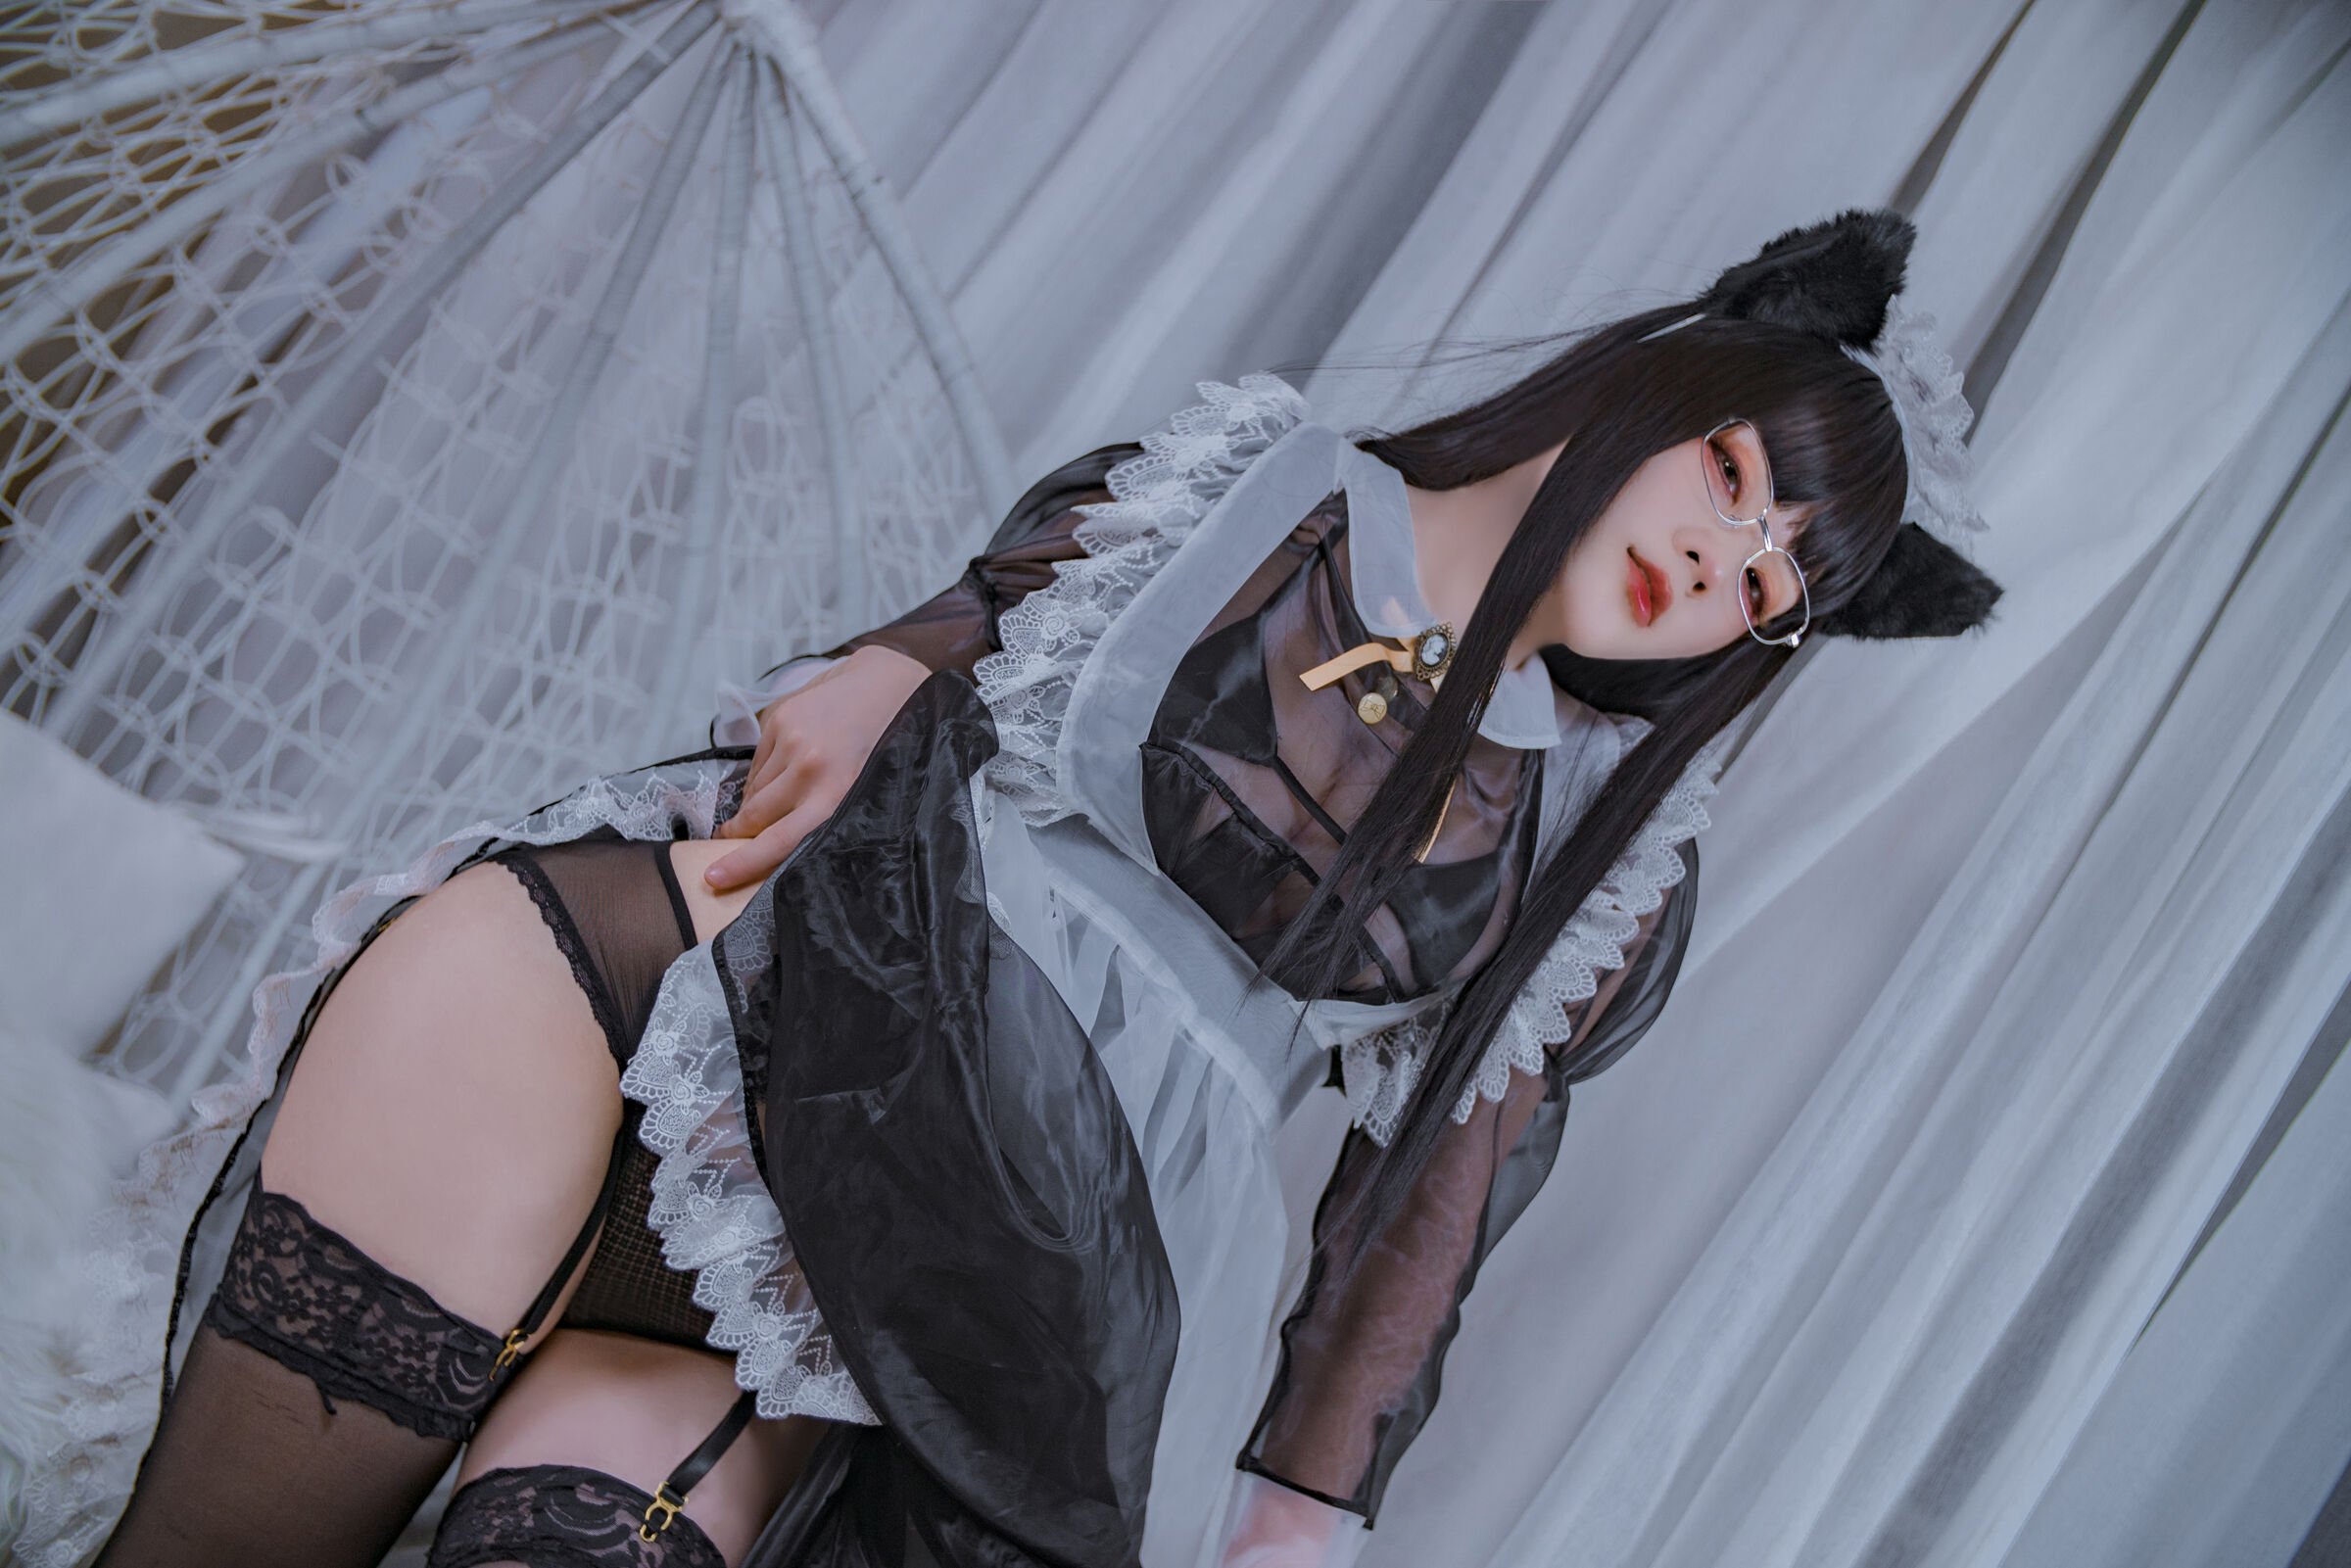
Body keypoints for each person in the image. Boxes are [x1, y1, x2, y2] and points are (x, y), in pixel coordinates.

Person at [68, 205, 1999, 1568]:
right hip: (772, 987)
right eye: (1734, 477)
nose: (1727, 565)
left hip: (1009, 1266)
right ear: (1661, 384)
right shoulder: (1243, 481)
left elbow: (1425, 1214)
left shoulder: (1600, 850)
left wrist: (1294, 1514)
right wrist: (880, 667)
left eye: (1777, 585)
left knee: (592, 1516)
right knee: (465, 1022)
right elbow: (979, 632)